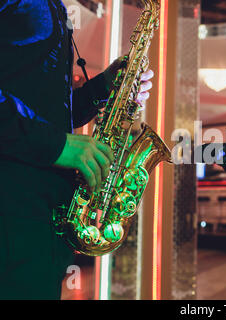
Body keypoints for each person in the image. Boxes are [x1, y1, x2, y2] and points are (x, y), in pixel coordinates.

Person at [0, 0, 153, 299]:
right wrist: (56, 146)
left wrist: (105, 87)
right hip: (12, 210)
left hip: (45, 219)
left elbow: (45, 109)